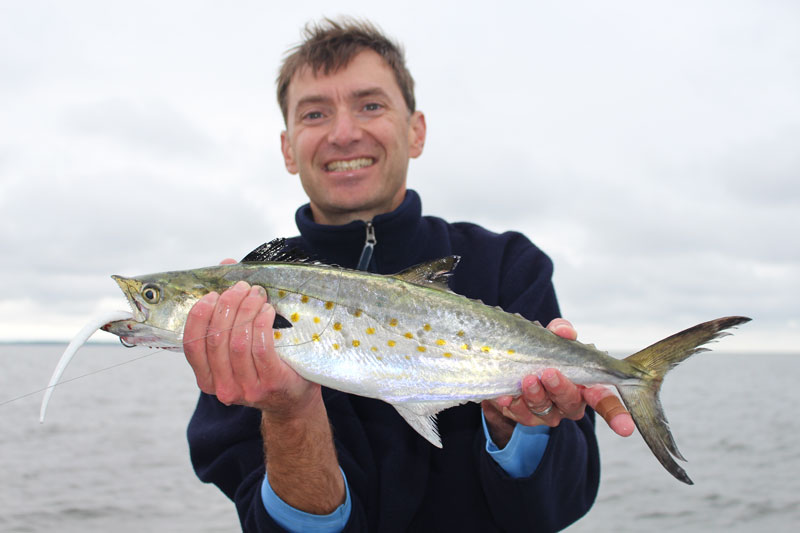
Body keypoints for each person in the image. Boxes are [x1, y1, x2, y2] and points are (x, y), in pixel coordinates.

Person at [184, 18, 634, 533]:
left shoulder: (508, 263)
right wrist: (289, 416)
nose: (344, 132)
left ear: (415, 131)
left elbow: (559, 508)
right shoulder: (248, 298)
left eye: (370, 105)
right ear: (288, 148)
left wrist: (520, 428)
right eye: (315, 113)